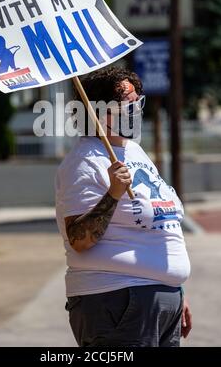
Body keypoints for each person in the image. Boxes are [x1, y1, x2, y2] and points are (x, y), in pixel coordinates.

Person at [55, 66, 192, 347]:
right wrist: (113, 193)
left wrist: (174, 288)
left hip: (160, 299)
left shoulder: (132, 150)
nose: (137, 110)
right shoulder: (84, 162)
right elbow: (79, 239)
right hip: (117, 298)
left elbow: (157, 227)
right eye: (128, 104)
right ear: (99, 112)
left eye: (138, 101)